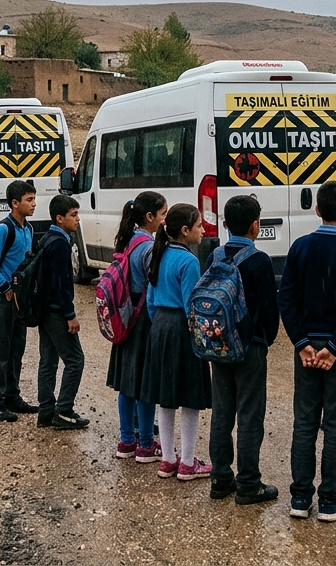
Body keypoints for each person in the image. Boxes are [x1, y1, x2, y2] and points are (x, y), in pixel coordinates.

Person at [279, 180, 336, 522]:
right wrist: (333, 348)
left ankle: (300, 498)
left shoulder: (300, 247)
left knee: (304, 421)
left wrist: (301, 342)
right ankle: (330, 499)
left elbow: (286, 298)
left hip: (307, 348)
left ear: (316, 210)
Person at [207, 195, 280, 505]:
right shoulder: (259, 260)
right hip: (249, 347)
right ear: (255, 225)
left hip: (218, 343)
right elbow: (269, 308)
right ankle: (249, 483)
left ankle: (221, 479)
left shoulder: (215, 255)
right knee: (250, 415)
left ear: (225, 224)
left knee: (222, 411)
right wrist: (266, 340)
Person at [139, 204, 214, 482]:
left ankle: (168, 460)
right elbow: (191, 306)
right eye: (198, 226)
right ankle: (188, 462)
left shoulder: (158, 254)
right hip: (182, 328)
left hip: (159, 326)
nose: (203, 231)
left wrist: (160, 324)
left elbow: (149, 301)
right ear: (185, 231)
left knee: (166, 396)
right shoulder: (190, 261)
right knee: (190, 396)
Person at [106, 192, 167, 462]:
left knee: (127, 384)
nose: (164, 220)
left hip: (126, 316)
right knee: (145, 384)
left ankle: (126, 440)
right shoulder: (148, 247)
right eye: (162, 214)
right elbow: (154, 288)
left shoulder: (130, 240)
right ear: (149, 216)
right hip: (143, 320)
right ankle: (145, 444)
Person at [0, 180, 38, 422]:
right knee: (1, 350)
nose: (34, 204)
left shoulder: (29, 229)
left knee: (17, 348)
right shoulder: (4, 229)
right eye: (29, 200)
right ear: (15, 203)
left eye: (34, 199)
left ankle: (12, 396)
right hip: (4, 298)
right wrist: (5, 288)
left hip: (20, 298)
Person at [34, 195, 89, 430]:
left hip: (43, 310)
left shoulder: (46, 238)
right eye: (73, 215)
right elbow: (61, 284)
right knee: (75, 360)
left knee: (48, 360)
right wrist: (70, 314)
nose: (78, 219)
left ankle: (46, 410)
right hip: (56, 311)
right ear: (60, 218)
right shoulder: (60, 244)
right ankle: (64, 410)